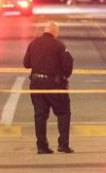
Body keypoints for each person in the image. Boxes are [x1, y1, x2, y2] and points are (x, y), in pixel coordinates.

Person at [22, 20, 75, 154]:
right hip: (54, 85)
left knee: (40, 115)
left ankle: (41, 146)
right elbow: (68, 63)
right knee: (63, 113)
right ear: (55, 32)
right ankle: (63, 144)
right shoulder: (59, 45)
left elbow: (26, 64)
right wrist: (63, 77)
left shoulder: (33, 43)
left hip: (36, 84)